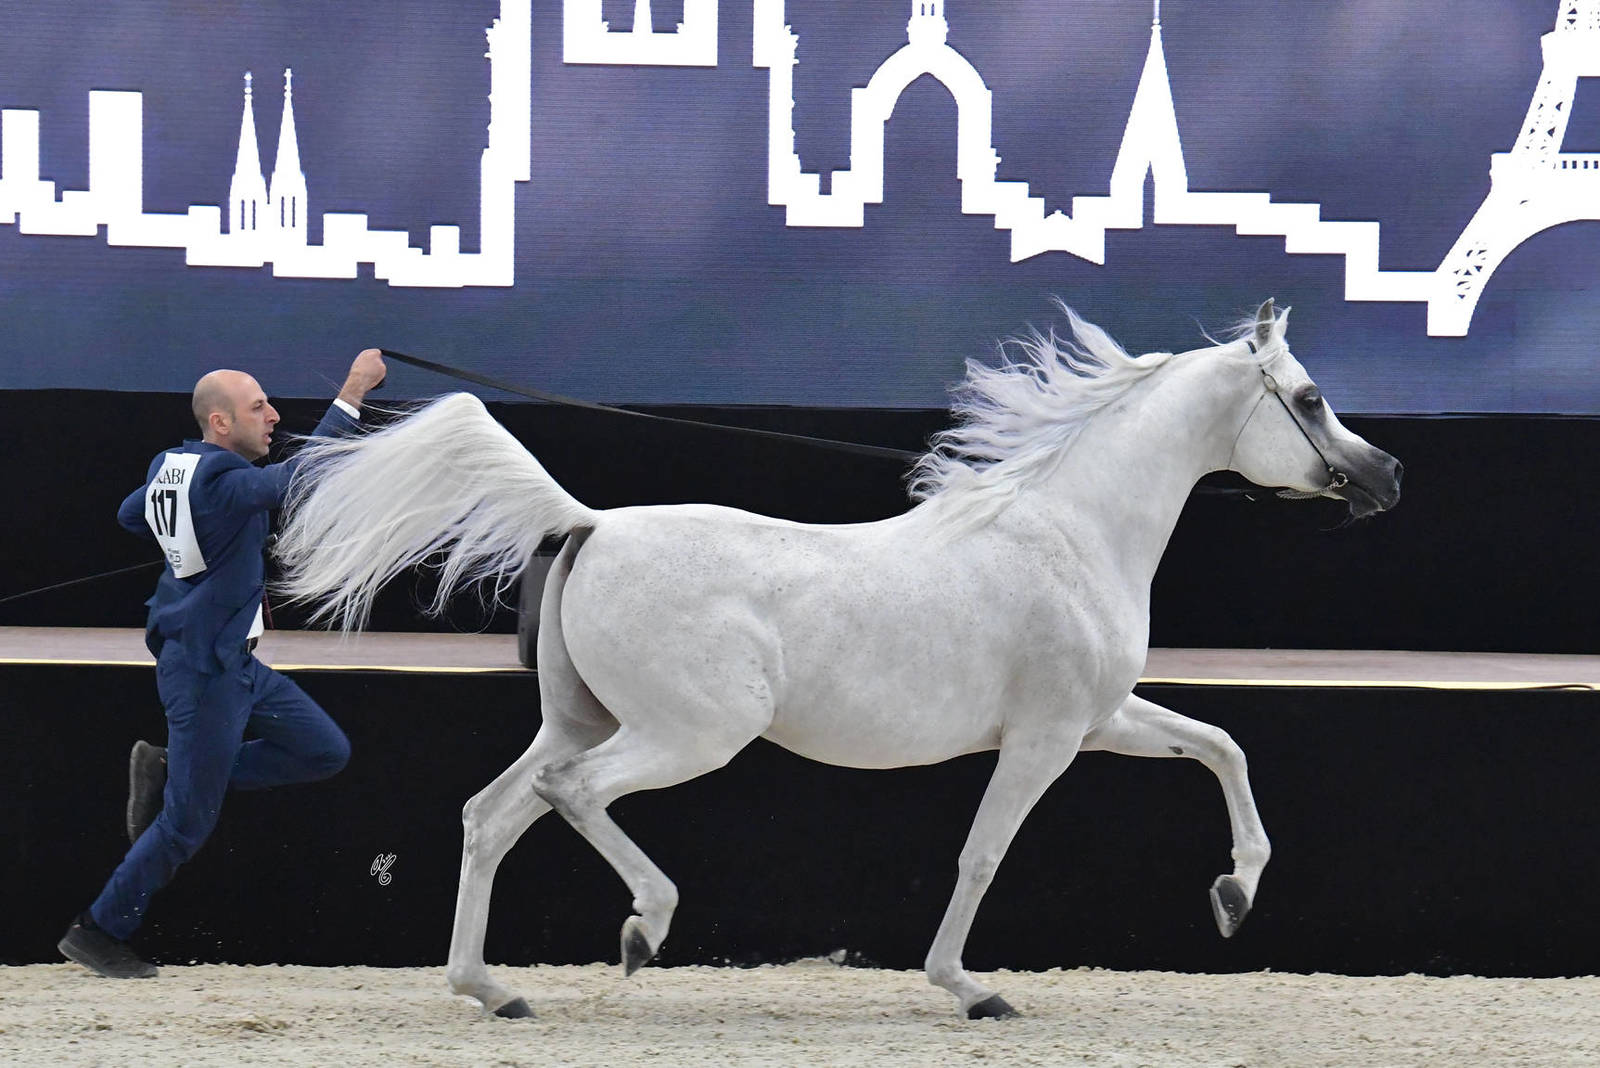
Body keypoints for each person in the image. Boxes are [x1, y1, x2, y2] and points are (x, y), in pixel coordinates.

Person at [57, 349, 387, 978]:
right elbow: (294, 482)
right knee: (185, 825)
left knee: (323, 750)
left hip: (233, 661)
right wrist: (352, 393)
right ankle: (97, 929)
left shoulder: (178, 467)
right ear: (219, 423)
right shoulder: (227, 480)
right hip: (205, 672)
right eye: (258, 406)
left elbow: (132, 514)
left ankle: (168, 770)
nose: (273, 415)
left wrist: (194, 531)